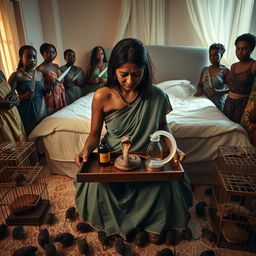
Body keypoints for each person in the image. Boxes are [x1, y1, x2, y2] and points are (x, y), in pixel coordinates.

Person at [74, 38, 192, 243]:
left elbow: (163, 128)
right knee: (101, 186)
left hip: (149, 158)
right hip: (113, 158)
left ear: (145, 70)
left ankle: (151, 223)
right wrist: (85, 150)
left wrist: (175, 148)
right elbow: (94, 134)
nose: (130, 81)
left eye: (136, 74)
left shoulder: (157, 95)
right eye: (124, 75)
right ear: (114, 70)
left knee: (163, 186)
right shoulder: (102, 95)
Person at [8, 45, 48, 136]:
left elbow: (41, 91)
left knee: (44, 138)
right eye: (28, 57)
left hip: (41, 109)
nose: (32, 60)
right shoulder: (17, 75)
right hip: (27, 112)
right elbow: (10, 99)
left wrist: (46, 91)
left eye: (34, 57)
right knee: (31, 138)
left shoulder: (39, 74)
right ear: (21, 58)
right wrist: (23, 96)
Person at [223, 33, 256, 123]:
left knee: (239, 132)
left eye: (244, 49)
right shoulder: (233, 66)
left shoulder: (253, 65)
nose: (240, 52)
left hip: (243, 104)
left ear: (251, 49)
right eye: (238, 49)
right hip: (229, 102)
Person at [194, 43, 229, 111]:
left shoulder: (225, 71)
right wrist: (199, 91)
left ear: (221, 55)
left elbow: (231, 89)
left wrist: (217, 92)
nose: (212, 58)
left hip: (217, 103)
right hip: (204, 100)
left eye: (215, 55)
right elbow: (199, 85)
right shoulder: (205, 70)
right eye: (211, 55)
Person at [36, 43, 67, 114]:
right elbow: (39, 87)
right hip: (51, 97)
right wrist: (48, 87)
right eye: (47, 52)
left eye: (53, 52)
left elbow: (61, 80)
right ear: (42, 54)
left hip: (61, 94)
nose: (51, 54)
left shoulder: (56, 66)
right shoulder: (40, 68)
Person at [0, 70, 26, 142]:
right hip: (2, 120)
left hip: (14, 113)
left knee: (22, 143)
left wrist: (14, 97)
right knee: (11, 149)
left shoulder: (0, 73)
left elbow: (10, 91)